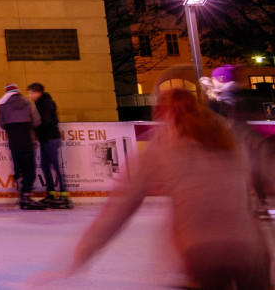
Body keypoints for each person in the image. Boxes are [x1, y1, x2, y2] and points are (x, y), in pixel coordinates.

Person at [68, 85, 272, 290]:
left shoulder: (161, 145)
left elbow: (118, 210)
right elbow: (268, 172)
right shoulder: (231, 135)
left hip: (201, 251)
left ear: (161, 112)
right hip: (251, 249)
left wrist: (83, 253)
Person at [0, 82, 43, 209]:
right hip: (27, 138)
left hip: (14, 139)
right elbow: (36, 121)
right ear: (17, 91)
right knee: (29, 167)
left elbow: (2, 123)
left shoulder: (2, 104)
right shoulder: (27, 102)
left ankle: (21, 194)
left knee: (18, 166)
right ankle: (27, 195)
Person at [26, 82, 69, 209]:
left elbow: (45, 121)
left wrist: (34, 127)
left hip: (51, 138)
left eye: (30, 93)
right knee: (45, 166)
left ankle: (64, 195)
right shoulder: (40, 104)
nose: (29, 96)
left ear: (37, 93)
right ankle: (51, 193)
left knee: (55, 166)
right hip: (45, 139)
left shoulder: (46, 103)